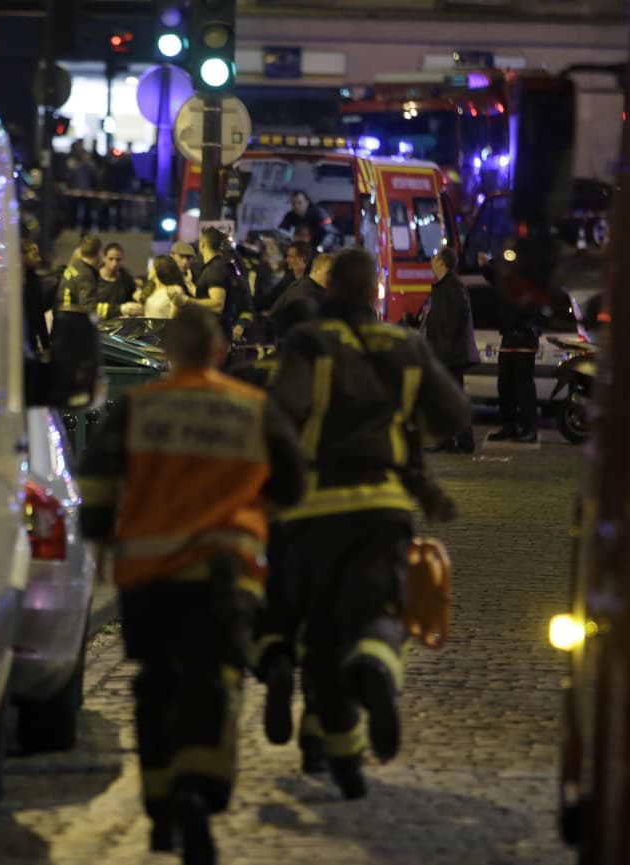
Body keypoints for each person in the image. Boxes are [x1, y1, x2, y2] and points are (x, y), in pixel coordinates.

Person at [78, 305, 305, 865]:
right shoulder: (252, 408)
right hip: (224, 571)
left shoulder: (138, 406)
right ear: (221, 350)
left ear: (166, 352)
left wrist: (98, 542)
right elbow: (293, 483)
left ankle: (160, 807)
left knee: (156, 684)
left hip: (149, 576)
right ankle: (196, 788)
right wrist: (257, 515)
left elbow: (98, 481)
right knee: (214, 679)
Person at [269, 248, 472, 800]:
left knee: (322, 634)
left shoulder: (309, 343)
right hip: (383, 507)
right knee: (381, 613)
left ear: (331, 288)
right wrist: (406, 431)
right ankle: (377, 671)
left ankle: (341, 759)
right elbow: (455, 413)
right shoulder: (404, 345)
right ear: (373, 291)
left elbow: (279, 418)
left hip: (316, 510)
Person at [227, 297, 328, 775]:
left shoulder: (247, 379)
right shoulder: (333, 384)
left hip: (261, 518)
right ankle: (317, 734)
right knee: (324, 626)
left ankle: (274, 666)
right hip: (324, 517)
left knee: (267, 613)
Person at [420, 247, 479, 453]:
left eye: (434, 258)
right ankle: (447, 439)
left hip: (451, 353)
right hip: (444, 351)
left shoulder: (453, 284)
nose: (431, 261)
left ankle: (464, 441)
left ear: (441, 263)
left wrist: (446, 337)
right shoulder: (444, 285)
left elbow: (460, 314)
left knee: (453, 398)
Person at [488, 254, 541, 444]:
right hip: (509, 338)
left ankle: (529, 428)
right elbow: (494, 277)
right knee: (505, 385)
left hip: (524, 339)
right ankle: (510, 425)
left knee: (523, 387)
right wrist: (486, 265)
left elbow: (532, 311)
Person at [189, 227, 253, 340]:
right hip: (212, 330)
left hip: (217, 332)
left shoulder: (216, 269)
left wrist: (242, 324)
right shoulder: (205, 267)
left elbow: (219, 304)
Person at [270, 252, 331, 327]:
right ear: (317, 270)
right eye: (329, 273)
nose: (332, 278)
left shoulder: (312, 288)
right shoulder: (303, 290)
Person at [98, 242, 144, 318]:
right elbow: (90, 306)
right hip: (97, 321)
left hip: (120, 322)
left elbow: (133, 299)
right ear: (104, 258)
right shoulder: (94, 278)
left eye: (118, 260)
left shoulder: (126, 278)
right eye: (111, 259)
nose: (114, 263)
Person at [58, 234, 102, 311]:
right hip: (72, 316)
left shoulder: (74, 266)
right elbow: (88, 306)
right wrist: (118, 309)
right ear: (99, 252)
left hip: (62, 313)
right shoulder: (86, 274)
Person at [22, 240, 51, 353]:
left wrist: (46, 346)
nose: (39, 259)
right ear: (23, 256)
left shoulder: (34, 281)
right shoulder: (29, 283)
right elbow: (39, 316)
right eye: (34, 255)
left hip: (30, 343)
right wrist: (46, 346)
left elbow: (39, 316)